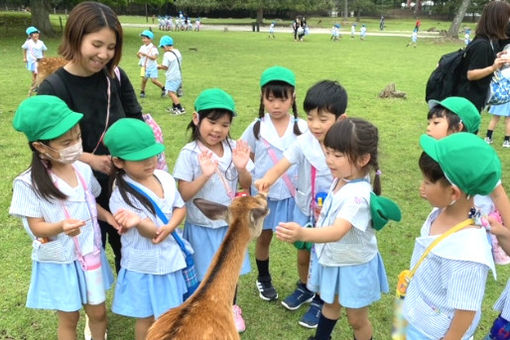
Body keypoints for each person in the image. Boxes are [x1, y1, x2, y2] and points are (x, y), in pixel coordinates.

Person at [37, 1, 144, 275]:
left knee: (128, 246)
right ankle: (93, 311)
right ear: (76, 36)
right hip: (77, 187)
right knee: (87, 251)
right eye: (97, 44)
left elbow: (136, 120)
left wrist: (128, 150)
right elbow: (46, 147)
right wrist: (91, 160)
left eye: (111, 47)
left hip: (121, 182)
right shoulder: (54, 87)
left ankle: (133, 303)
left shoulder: (116, 77)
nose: (104, 54)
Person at [10, 95, 115, 340]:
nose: (75, 145)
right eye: (66, 142)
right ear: (40, 146)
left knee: (98, 314)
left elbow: (90, 202)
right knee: (70, 319)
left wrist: (108, 217)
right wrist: (61, 226)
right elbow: (36, 227)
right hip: (61, 261)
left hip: (90, 253)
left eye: (77, 137)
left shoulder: (83, 169)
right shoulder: (28, 183)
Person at [276, 118, 391, 340]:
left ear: (363, 159)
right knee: (330, 305)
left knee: (357, 320)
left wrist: (302, 233)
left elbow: (338, 231)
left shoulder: (359, 195)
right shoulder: (342, 178)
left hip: (354, 266)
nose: (329, 160)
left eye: (337, 155)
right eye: (327, 152)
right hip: (334, 259)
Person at [255, 80, 347, 329]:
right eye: (311, 117)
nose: (315, 125)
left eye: (323, 119)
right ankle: (305, 286)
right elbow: (283, 163)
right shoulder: (305, 141)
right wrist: (267, 179)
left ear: (341, 118)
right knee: (303, 253)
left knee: (324, 258)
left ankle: (321, 299)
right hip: (304, 207)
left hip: (330, 217)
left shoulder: (345, 147)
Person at [403, 132, 499, 339]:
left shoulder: (468, 254)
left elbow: (466, 310)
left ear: (453, 193)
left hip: (433, 334)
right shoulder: (439, 212)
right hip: (413, 316)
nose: (421, 186)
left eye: (427, 182)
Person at [173, 88, 254, 333]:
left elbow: (247, 184)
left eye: (225, 124)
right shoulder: (189, 154)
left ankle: (231, 308)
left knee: (231, 271)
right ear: (197, 118)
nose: (217, 130)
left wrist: (242, 168)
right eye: (212, 122)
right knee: (203, 274)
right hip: (201, 226)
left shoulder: (233, 149)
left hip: (229, 227)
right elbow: (182, 194)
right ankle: (202, 312)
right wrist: (205, 176)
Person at [104, 118, 187, 340]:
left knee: (171, 315)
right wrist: (140, 223)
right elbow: (152, 233)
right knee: (147, 318)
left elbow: (180, 207)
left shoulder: (165, 178)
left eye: (152, 154)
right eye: (139, 159)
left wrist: (170, 226)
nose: (150, 161)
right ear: (119, 162)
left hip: (169, 261)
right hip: (144, 266)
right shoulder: (121, 196)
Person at [241, 66, 307, 304]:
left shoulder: (302, 127)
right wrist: (252, 174)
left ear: (293, 97)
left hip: (294, 195)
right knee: (264, 236)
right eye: (270, 99)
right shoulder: (257, 127)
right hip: (265, 197)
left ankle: (306, 283)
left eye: (282, 99)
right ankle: (264, 277)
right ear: (263, 97)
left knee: (302, 239)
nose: (276, 105)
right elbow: (243, 153)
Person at [455, 1, 510, 112]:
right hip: (468, 102)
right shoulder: (482, 44)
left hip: (474, 100)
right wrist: (493, 68)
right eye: (508, 16)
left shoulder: (488, 41)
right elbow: (471, 74)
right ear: (499, 18)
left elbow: (480, 61)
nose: (508, 20)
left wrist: (496, 58)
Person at [158, 35, 185, 115]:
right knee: (172, 92)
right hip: (178, 75)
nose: (162, 49)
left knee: (171, 93)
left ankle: (180, 109)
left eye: (162, 47)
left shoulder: (167, 55)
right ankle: (174, 108)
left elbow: (165, 66)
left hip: (172, 76)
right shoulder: (177, 51)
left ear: (165, 46)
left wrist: (158, 66)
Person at [137, 30, 165, 99]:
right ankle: (142, 92)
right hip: (144, 67)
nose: (143, 40)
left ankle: (163, 88)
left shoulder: (153, 48)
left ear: (150, 39)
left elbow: (154, 58)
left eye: (145, 38)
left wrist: (146, 55)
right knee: (144, 80)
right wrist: (139, 55)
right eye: (142, 38)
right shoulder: (142, 47)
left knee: (154, 80)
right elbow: (139, 56)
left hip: (152, 67)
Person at [22, 26, 47, 94]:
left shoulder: (41, 42)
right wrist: (25, 57)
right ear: (30, 35)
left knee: (40, 74)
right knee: (34, 74)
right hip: (32, 61)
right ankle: (35, 86)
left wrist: (44, 58)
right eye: (34, 33)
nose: (36, 35)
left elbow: (43, 50)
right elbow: (24, 49)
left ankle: (37, 86)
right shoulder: (28, 43)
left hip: (40, 61)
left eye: (37, 33)